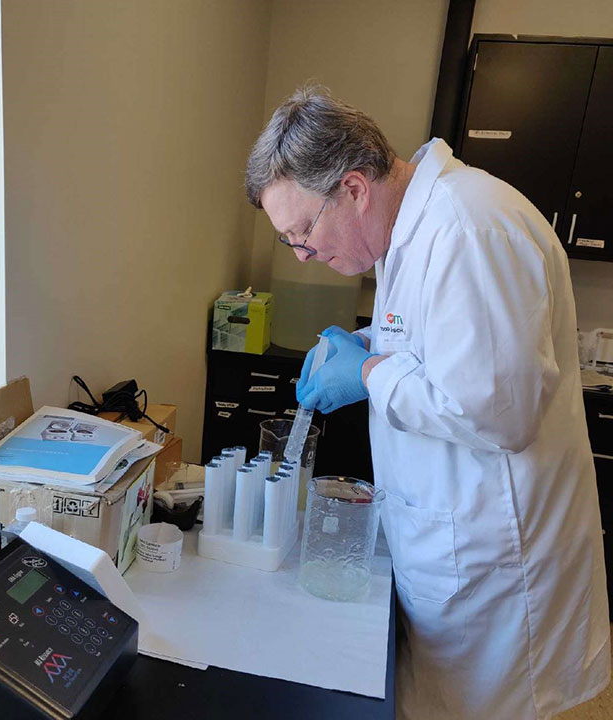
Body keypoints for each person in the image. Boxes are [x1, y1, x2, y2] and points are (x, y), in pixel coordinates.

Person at [245, 86, 610, 720]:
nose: (303, 253)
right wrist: (365, 343)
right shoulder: (409, 233)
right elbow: (440, 342)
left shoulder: (471, 229)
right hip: (451, 559)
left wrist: (368, 374)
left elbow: (498, 409)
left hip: (499, 581)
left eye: (303, 231)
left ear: (354, 189)